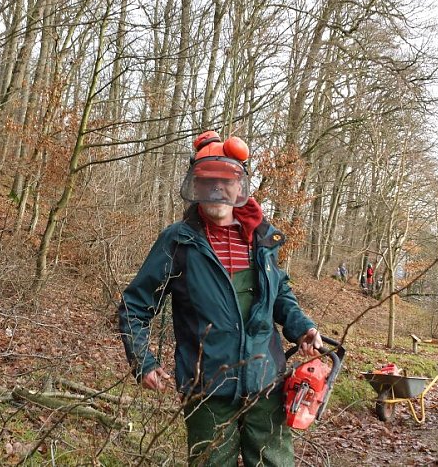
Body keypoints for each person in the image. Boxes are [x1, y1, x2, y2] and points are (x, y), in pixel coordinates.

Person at [118, 131, 322, 466]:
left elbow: (279, 293)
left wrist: (303, 328)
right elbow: (134, 307)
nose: (216, 188)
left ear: (239, 186)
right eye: (207, 180)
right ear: (195, 185)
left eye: (225, 180)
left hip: (266, 381)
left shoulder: (261, 238)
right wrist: (144, 362)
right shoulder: (179, 242)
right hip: (207, 389)